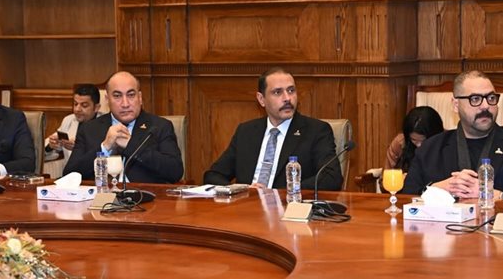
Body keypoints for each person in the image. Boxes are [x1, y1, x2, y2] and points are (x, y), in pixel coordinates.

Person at [403, 70, 503, 201]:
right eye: (475, 99)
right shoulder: (430, 149)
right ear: (455, 105)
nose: (486, 106)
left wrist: (497, 196)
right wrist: (437, 189)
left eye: (491, 98)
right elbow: (406, 198)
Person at [204, 67, 343, 190]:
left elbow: (331, 178)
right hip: (246, 206)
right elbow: (213, 175)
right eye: (277, 92)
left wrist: (278, 193)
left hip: (288, 206)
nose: (287, 98)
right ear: (261, 99)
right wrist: (240, 190)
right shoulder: (246, 132)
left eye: (291, 90)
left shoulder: (316, 131)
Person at [63, 71, 183, 183]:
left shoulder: (159, 127)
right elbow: (69, 175)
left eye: (131, 95)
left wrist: (132, 146)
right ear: (107, 100)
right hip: (101, 196)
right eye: (117, 96)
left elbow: (175, 172)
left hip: (145, 196)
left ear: (140, 98)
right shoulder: (89, 129)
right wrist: (104, 148)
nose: (125, 104)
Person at [44, 83, 102, 166]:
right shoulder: (69, 120)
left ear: (96, 108)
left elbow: (106, 155)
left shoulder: (106, 124)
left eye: (84, 105)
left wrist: (79, 149)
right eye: (75, 104)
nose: (77, 109)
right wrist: (51, 146)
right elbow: (45, 151)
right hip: (71, 172)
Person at [384, 105, 443, 172]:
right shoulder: (400, 143)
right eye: (414, 140)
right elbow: (387, 172)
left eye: (423, 141)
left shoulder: (447, 143)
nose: (419, 145)